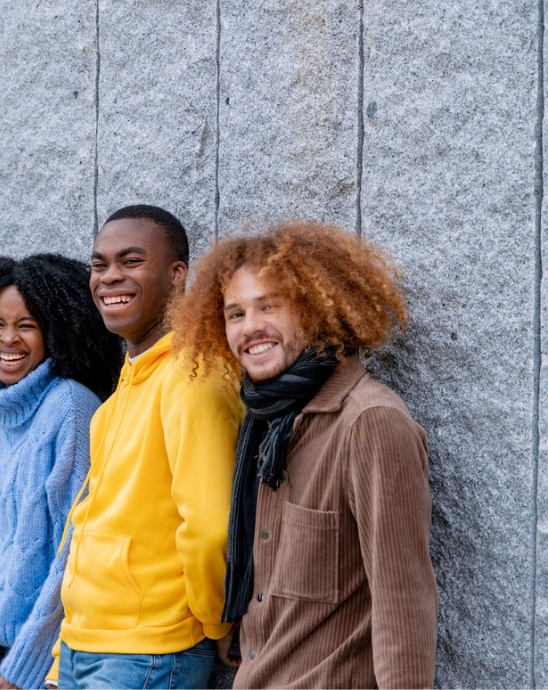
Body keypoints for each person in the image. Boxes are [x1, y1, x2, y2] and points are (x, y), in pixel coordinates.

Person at [169, 221, 438, 688]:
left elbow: (404, 602)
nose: (250, 327)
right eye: (235, 314)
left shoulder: (370, 422)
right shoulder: (264, 424)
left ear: (313, 310)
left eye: (268, 306)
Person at [53, 205, 244, 690]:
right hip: (85, 647)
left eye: (131, 261)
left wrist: (217, 622)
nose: (109, 277)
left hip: (147, 655)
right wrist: (60, 659)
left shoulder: (194, 377)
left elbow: (209, 527)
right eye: (99, 265)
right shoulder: (123, 390)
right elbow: (88, 527)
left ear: (177, 275)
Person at [0, 254, 123, 690]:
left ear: (54, 332)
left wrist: (28, 662)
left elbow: (73, 552)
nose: (8, 339)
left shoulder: (71, 407)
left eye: (26, 325)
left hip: (39, 651)